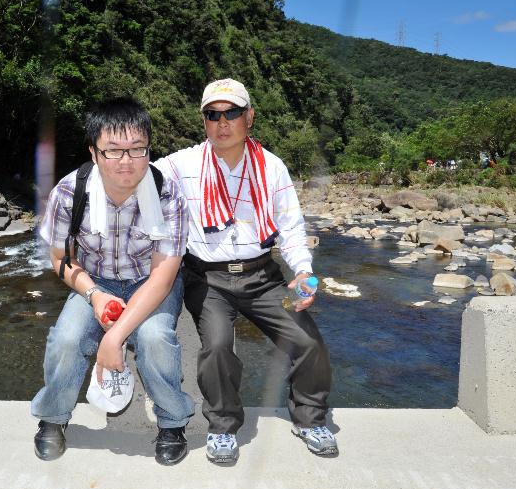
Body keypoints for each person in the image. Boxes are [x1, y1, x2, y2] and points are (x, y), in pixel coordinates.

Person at [155, 78, 337, 464]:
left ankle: (309, 419)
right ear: (204, 121)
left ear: (249, 117)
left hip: (263, 277)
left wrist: (303, 272)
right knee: (217, 346)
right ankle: (223, 427)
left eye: (232, 113)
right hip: (207, 279)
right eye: (213, 115)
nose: (222, 122)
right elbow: (135, 175)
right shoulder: (181, 165)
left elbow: (290, 228)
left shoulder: (272, 167)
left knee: (307, 341)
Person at [31, 98, 195, 465]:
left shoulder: (168, 194)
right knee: (67, 338)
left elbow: (163, 276)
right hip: (94, 280)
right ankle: (52, 418)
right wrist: (93, 294)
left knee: (155, 338)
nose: (126, 161)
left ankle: (173, 422)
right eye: (113, 150)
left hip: (150, 282)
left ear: (149, 148)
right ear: (94, 152)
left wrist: (113, 337)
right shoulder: (70, 192)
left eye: (137, 149)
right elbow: (60, 259)